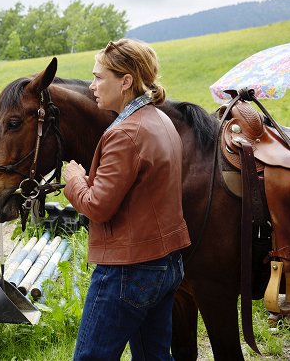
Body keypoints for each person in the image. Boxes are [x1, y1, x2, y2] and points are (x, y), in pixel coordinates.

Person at [62, 38, 190, 360]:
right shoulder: (161, 121)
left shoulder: (124, 133)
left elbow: (97, 207)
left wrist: (75, 181)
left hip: (127, 271)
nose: (92, 85)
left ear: (126, 81)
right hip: (166, 263)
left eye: (99, 77)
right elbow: (140, 192)